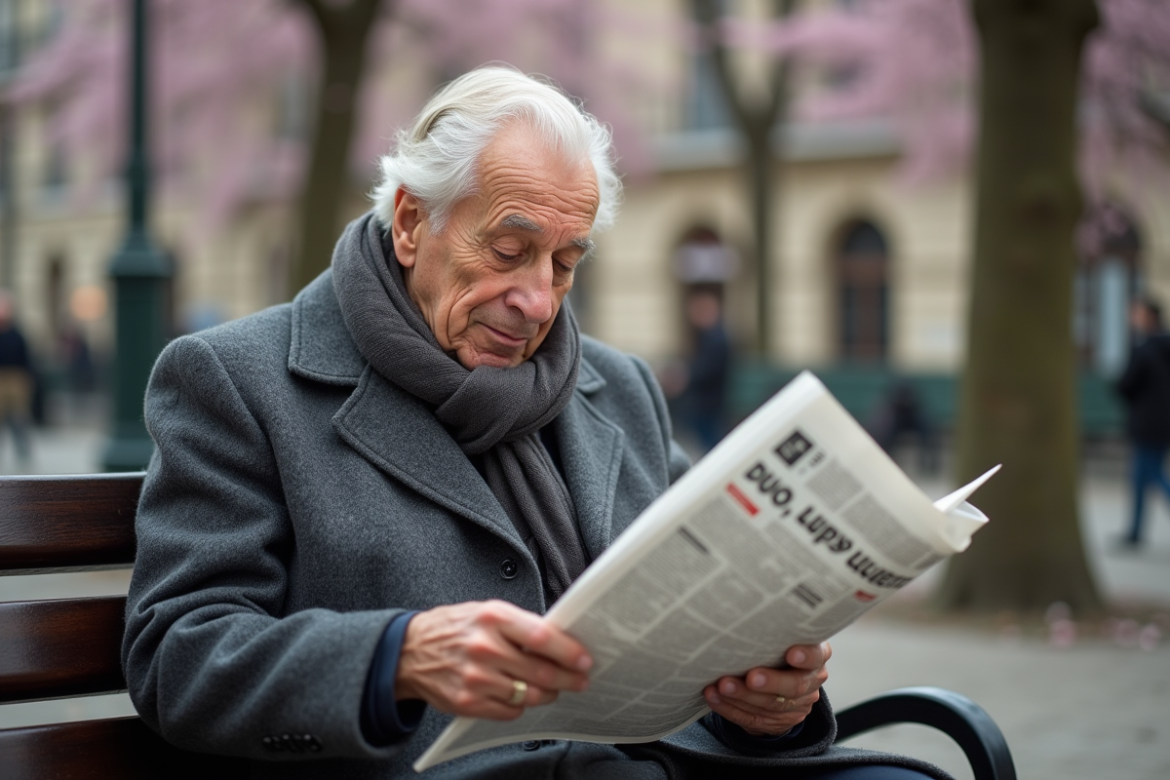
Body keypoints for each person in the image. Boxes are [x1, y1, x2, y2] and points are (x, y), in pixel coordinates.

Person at [123, 67, 945, 780]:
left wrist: (771, 705)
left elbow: (718, 611)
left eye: (565, 263)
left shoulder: (618, 385)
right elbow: (177, 656)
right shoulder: (240, 380)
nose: (539, 301)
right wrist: (394, 658)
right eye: (509, 251)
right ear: (411, 222)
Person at [1115, 296, 1170, 548]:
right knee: (1141, 478)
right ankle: (1135, 532)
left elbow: (1126, 385)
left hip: (1147, 423)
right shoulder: (1163, 348)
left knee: (1150, 475)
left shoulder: (1145, 350)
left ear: (1149, 316)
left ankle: (1135, 532)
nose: (1132, 317)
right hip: (1163, 423)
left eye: (1136, 313)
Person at [676, 286, 733, 454]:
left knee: (710, 444)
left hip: (709, 402)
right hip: (708, 401)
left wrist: (685, 377)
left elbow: (706, 369)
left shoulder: (715, 337)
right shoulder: (709, 335)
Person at [0, 290, 34, 467]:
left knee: (18, 419)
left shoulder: (17, 334)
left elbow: (26, 359)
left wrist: (26, 380)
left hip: (15, 379)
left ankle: (23, 453)